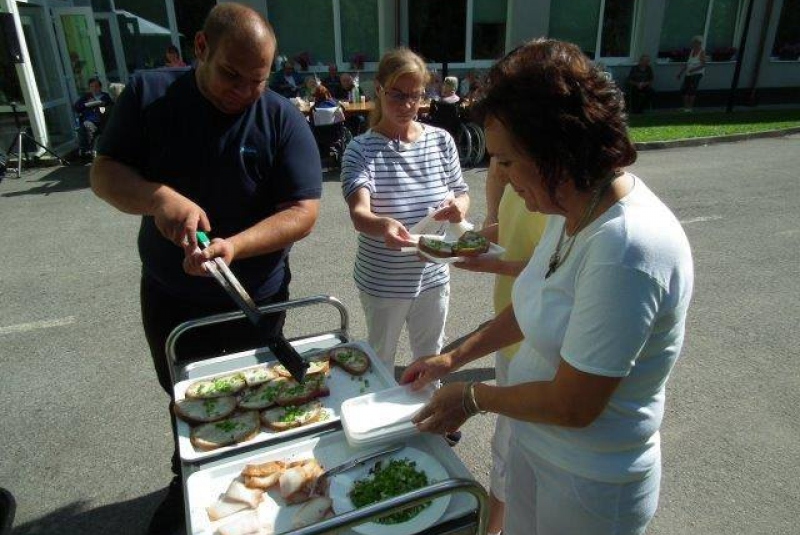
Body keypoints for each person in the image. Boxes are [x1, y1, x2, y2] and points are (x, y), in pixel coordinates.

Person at [402, 39, 694, 535]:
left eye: (509, 162)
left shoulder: (627, 247)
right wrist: (454, 358)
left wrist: (472, 397)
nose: (503, 179)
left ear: (555, 147)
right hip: (537, 450)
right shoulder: (569, 208)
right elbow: (532, 300)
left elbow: (574, 404)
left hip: (591, 483)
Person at [89, 4, 322, 534]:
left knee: (254, 392)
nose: (242, 91)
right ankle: (188, 475)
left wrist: (234, 246)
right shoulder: (150, 95)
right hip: (171, 296)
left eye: (256, 80)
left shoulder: (280, 115)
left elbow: (303, 211)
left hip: (255, 295)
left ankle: (250, 481)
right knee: (186, 395)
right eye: (230, 75)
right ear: (200, 48)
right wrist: (158, 198)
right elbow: (104, 174)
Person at [340, 46, 470, 371]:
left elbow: (463, 193)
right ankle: (383, 422)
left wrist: (458, 208)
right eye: (398, 95)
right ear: (379, 90)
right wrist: (383, 225)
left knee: (429, 361)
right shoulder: (361, 149)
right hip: (384, 281)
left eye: (416, 95)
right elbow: (360, 214)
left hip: (433, 274)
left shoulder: (441, 140)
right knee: (381, 361)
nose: (408, 106)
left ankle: (427, 420)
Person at [453, 159, 547, 535]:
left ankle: (498, 525)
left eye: (506, 160)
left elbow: (551, 270)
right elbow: (503, 229)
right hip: (510, 327)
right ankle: (495, 525)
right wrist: (465, 239)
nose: (497, 169)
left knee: (516, 443)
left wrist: (493, 265)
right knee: (506, 444)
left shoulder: (554, 201)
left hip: (535, 341)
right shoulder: (516, 186)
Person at [73, 77, 113, 157]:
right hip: (90, 120)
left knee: (91, 128)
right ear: (89, 88)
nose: (94, 88)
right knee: (86, 126)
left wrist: (102, 106)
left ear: (100, 87)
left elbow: (110, 108)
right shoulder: (86, 97)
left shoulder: (106, 96)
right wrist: (86, 104)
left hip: (102, 120)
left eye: (96, 86)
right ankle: (87, 150)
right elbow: (76, 107)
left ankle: (90, 150)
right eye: (92, 87)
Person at [676, 35, 706, 111]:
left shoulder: (701, 52)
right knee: (684, 90)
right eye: (693, 43)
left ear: (699, 43)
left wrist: (693, 70)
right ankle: (685, 107)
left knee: (691, 90)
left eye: (694, 43)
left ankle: (690, 107)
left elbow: (703, 65)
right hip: (688, 73)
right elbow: (688, 63)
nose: (693, 44)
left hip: (697, 74)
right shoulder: (692, 51)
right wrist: (680, 73)